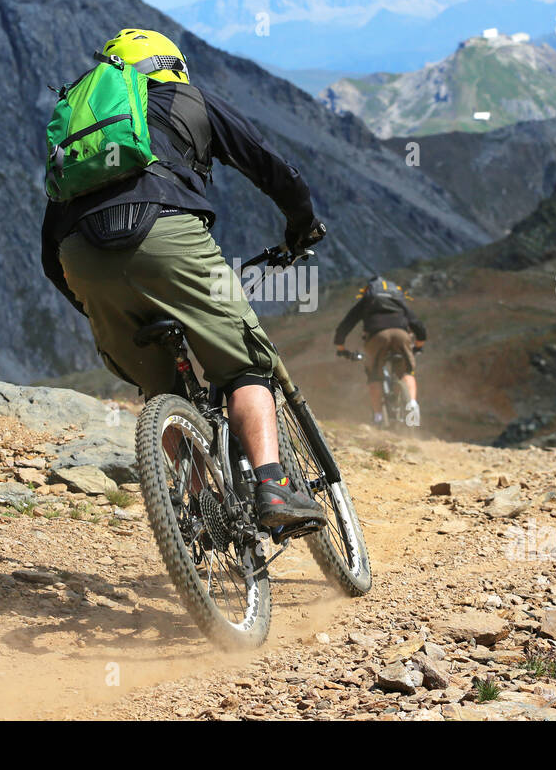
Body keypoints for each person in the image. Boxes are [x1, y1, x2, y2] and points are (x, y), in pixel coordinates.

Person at [41, 28, 326, 529]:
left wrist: (99, 303)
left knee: (160, 390)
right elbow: (270, 167)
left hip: (80, 255)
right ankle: (273, 488)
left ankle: (201, 512)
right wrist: (301, 226)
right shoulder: (186, 98)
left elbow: (50, 255)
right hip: (167, 233)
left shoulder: (85, 130)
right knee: (244, 369)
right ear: (169, 65)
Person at [334, 275, 427, 426]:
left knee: (374, 376)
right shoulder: (398, 300)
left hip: (377, 336)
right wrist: (419, 345)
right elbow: (417, 325)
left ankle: (378, 417)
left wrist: (341, 347)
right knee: (406, 372)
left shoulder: (368, 299)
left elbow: (347, 324)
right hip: (401, 335)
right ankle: (412, 405)